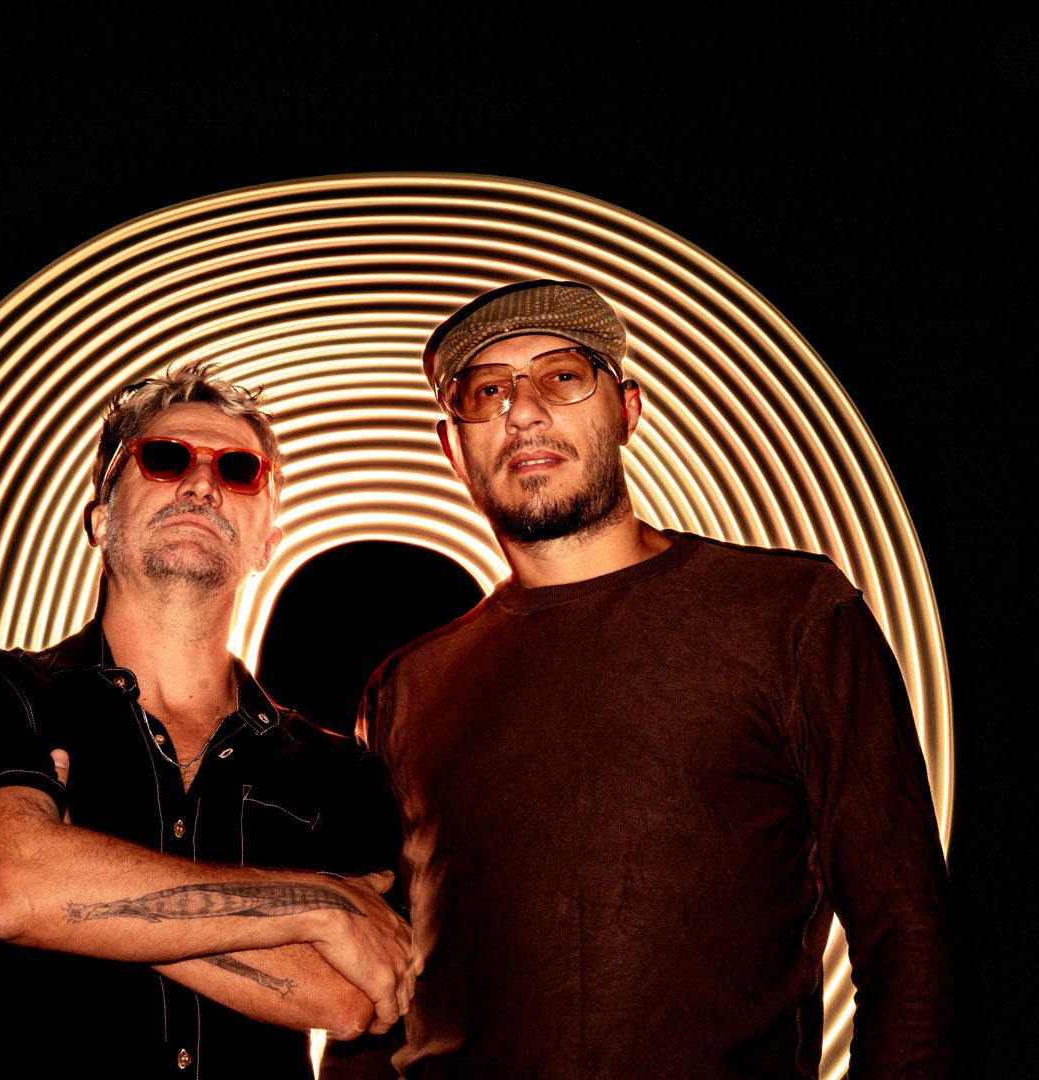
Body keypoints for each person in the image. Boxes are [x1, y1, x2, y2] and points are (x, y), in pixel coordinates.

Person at [353, 281, 955, 1077]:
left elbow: (907, 939)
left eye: (562, 377)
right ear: (452, 447)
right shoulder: (408, 688)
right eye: (486, 392)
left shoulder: (791, 616)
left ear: (628, 410)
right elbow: (374, 990)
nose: (522, 411)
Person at [0, 363, 419, 1075]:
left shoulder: (338, 772)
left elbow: (349, 997)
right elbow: (10, 884)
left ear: (267, 542)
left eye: (238, 470)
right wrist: (315, 903)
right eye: (165, 458)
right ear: (100, 518)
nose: (202, 484)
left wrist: (68, 888)